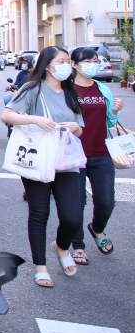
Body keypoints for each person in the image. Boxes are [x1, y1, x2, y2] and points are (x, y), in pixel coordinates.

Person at [1, 46, 84, 288]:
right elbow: (7, 115)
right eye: (62, 61)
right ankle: (40, 266)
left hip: (66, 160)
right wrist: (34, 119)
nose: (66, 65)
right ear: (47, 65)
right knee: (39, 213)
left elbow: (80, 127)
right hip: (37, 158)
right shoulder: (32, 89)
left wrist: (72, 127)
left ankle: (61, 246)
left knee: (72, 216)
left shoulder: (70, 91)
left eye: (68, 61)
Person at [69, 47, 122, 263]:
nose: (93, 63)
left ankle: (97, 229)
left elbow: (109, 123)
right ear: (74, 64)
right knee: (76, 204)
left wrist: (115, 112)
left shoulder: (102, 89)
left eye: (95, 60)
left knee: (106, 201)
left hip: (101, 153)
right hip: (73, 155)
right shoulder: (66, 90)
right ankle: (78, 246)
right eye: (88, 60)